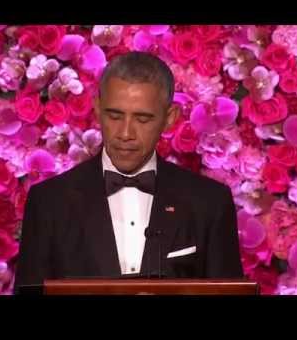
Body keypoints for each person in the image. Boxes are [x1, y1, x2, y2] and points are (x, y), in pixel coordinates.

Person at [14, 51, 243, 292]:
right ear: (98, 109)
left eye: (142, 119)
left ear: (169, 118)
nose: (125, 133)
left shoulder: (209, 202)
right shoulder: (49, 202)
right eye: (114, 116)